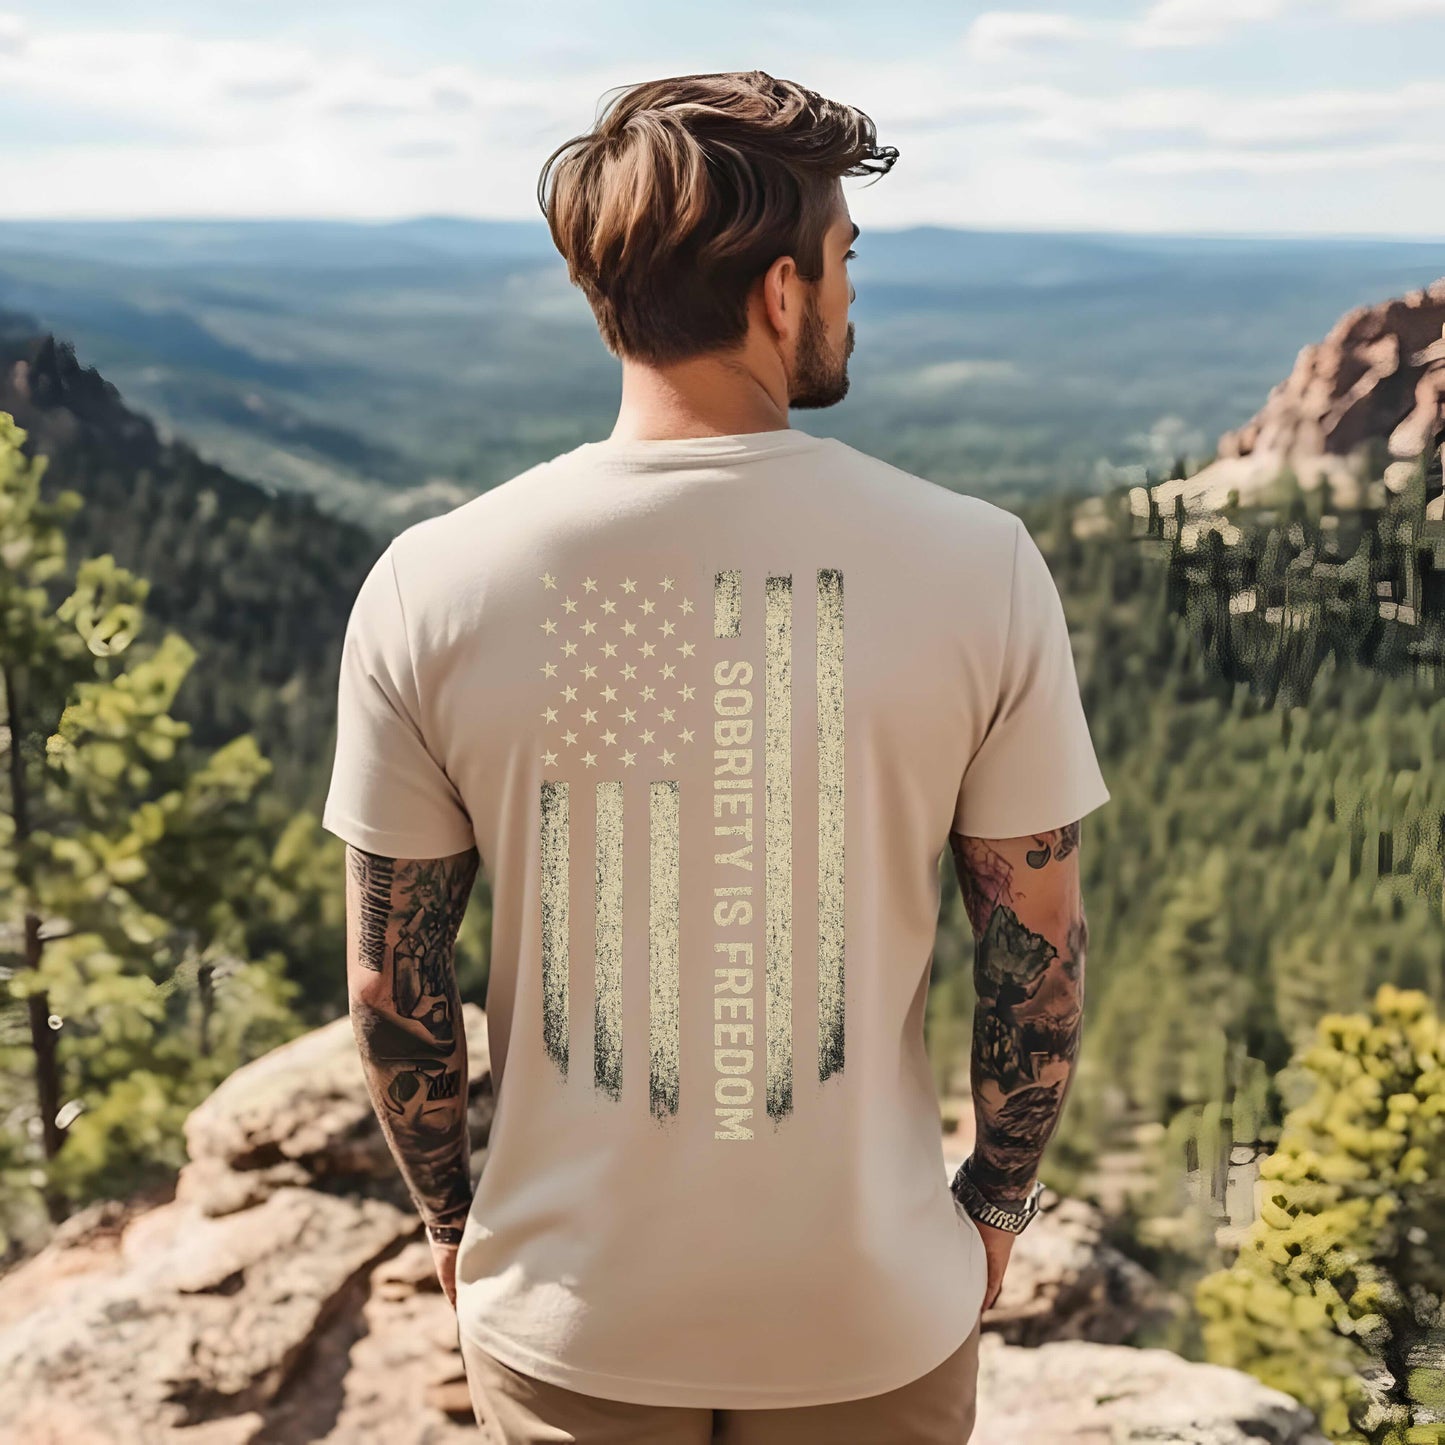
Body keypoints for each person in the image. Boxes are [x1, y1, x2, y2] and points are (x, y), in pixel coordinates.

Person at [322, 69, 1110, 1445]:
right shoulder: (978, 566)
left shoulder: (428, 582)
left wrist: (454, 1222)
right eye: (845, 256)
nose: (850, 291)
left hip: (572, 1312)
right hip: (865, 1315)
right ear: (781, 292)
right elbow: (1032, 945)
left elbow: (396, 977)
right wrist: (992, 1205)